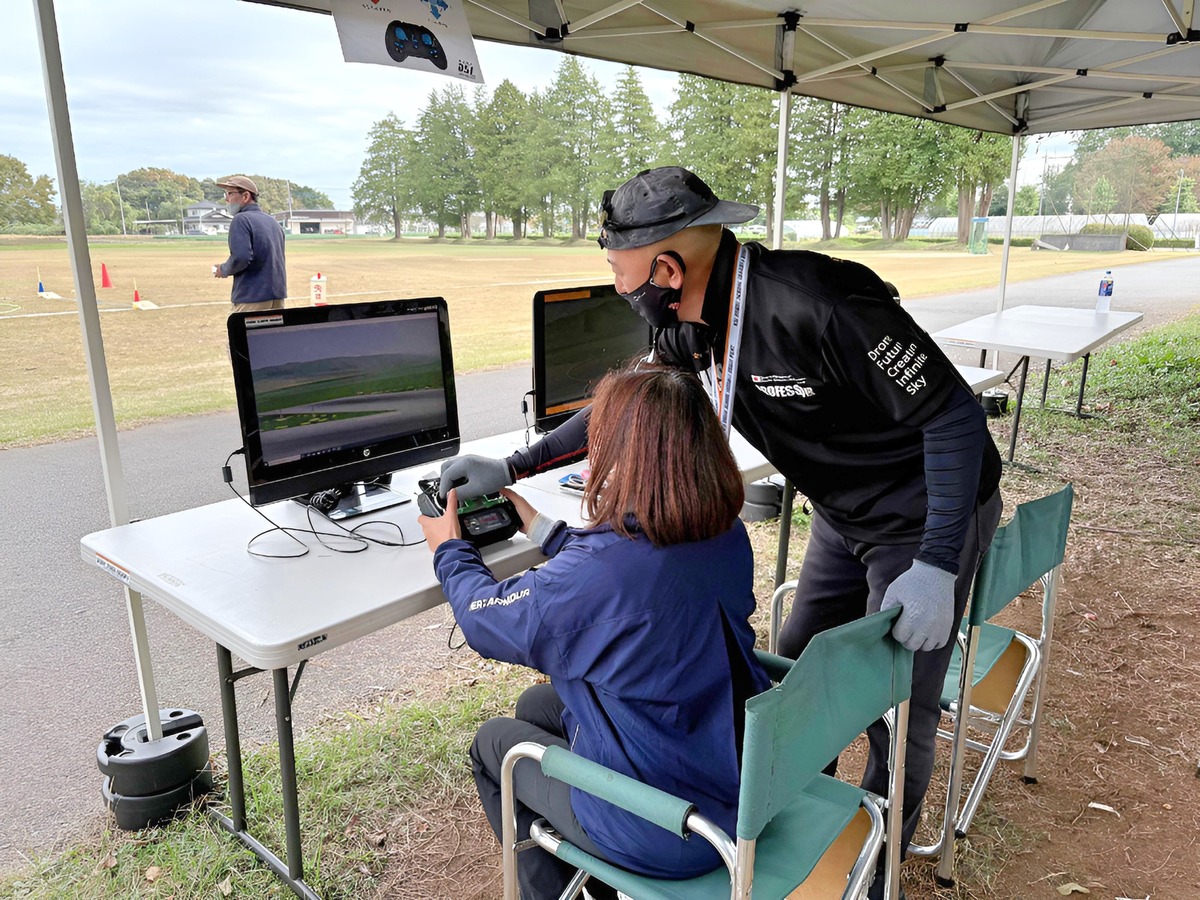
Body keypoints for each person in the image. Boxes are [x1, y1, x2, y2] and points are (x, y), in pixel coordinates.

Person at [439, 166, 1003, 892]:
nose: (616, 285)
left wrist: (938, 560)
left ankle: (877, 870)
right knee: (798, 680)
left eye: (619, 270)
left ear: (667, 268)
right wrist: (516, 464)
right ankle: (777, 824)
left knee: (895, 704)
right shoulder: (693, 325)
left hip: (926, 520)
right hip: (843, 511)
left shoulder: (821, 302)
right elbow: (627, 407)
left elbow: (952, 414)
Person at [418, 363, 771, 900]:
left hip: (670, 828)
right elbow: (627, 576)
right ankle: (595, 879)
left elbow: (485, 617)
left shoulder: (602, 576)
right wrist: (541, 530)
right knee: (538, 707)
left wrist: (448, 549)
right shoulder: (722, 533)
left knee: (494, 746)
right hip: (733, 776)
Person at [212, 175, 287, 312]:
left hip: (251, 297)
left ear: (245, 196)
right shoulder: (273, 222)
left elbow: (241, 257)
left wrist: (223, 269)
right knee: (273, 333)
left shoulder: (241, 219)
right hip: (277, 296)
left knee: (243, 333)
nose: (226, 199)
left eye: (230, 193)